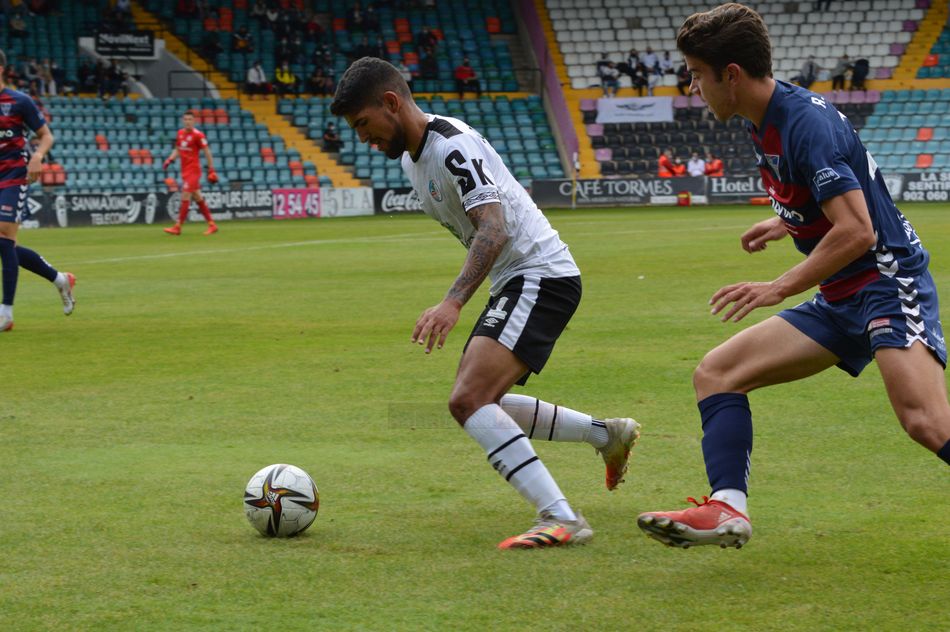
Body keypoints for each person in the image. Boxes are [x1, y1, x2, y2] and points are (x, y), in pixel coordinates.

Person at [637, 2, 950, 550]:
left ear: (731, 75)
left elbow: (858, 231)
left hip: (884, 283)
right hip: (840, 294)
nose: (692, 88)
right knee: (717, 373)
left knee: (926, 422)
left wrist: (776, 288)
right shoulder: (765, 119)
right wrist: (786, 221)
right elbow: (831, 196)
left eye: (697, 74)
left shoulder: (806, 124)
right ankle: (726, 509)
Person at [330, 57, 640, 549]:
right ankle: (606, 435)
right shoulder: (413, 160)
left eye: (363, 123)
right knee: (479, 400)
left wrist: (452, 302)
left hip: (540, 275)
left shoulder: (452, 145)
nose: (363, 138)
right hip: (519, 280)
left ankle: (561, 517)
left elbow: (493, 229)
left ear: (390, 103)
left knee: (469, 399)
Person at [0, 49, 76, 332]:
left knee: (4, 235)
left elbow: (46, 135)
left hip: (14, 175)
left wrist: (37, 156)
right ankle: (60, 279)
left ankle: (6, 313)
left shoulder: (19, 101)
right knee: (6, 245)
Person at [162, 110, 218, 236]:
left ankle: (177, 226)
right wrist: (169, 159)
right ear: (183, 120)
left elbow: (207, 152)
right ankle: (212, 225)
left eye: (190, 119)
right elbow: (178, 149)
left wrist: (211, 169)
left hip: (194, 171)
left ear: (194, 121)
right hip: (185, 171)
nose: (187, 122)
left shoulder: (198, 135)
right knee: (198, 197)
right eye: (186, 119)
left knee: (185, 195)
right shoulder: (180, 133)